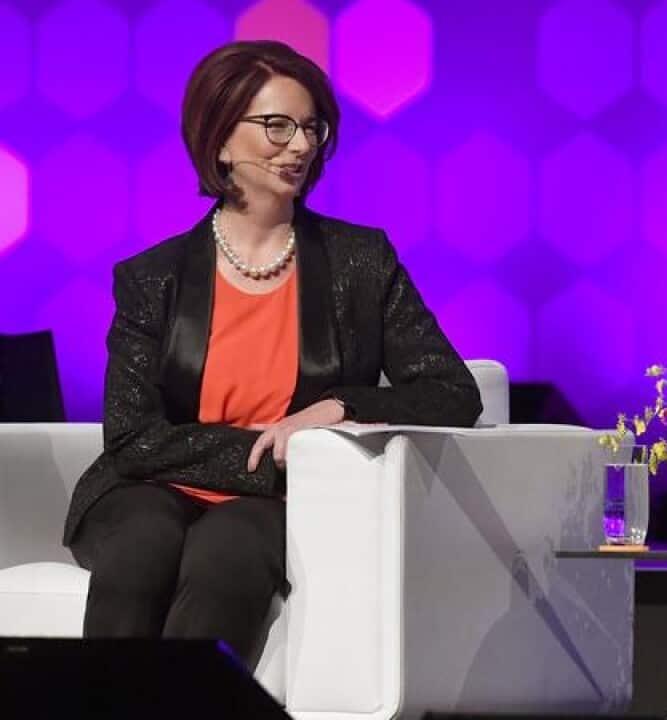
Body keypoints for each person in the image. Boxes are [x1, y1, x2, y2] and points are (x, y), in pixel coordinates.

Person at [62, 40, 482, 666]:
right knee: (139, 548)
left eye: (312, 128)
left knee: (224, 557)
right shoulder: (154, 277)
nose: (301, 146)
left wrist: (337, 409)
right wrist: (265, 450)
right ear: (221, 140)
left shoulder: (361, 263)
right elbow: (132, 439)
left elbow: (453, 393)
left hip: (275, 502)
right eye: (277, 126)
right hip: (149, 488)